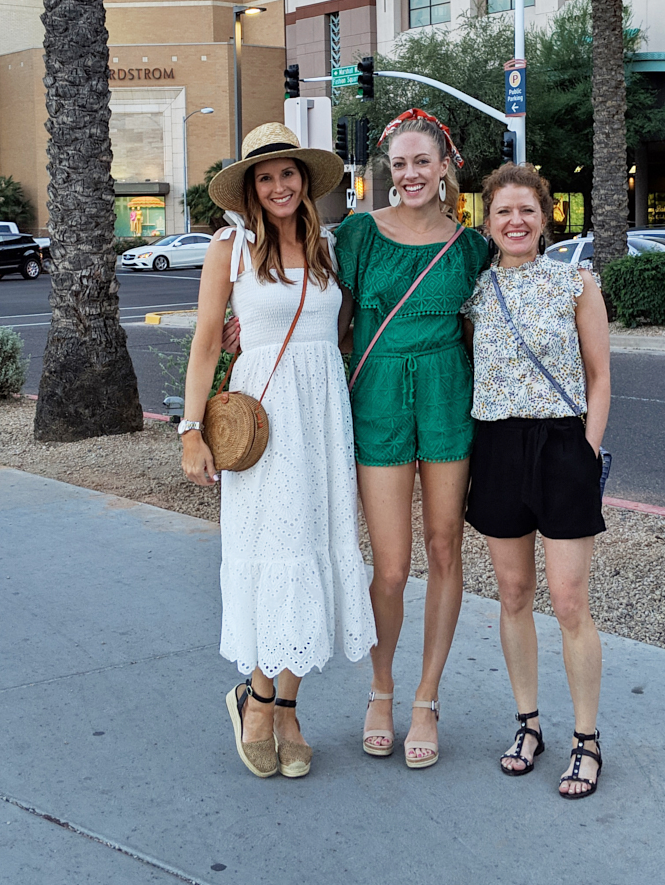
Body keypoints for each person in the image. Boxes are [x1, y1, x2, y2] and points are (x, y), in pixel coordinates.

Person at [180, 122, 376, 781]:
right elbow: (208, 342)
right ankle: (258, 701)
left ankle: (286, 707)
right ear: (249, 190)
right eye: (265, 178)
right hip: (262, 427)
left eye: (287, 174)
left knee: (313, 552)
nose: (278, 186)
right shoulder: (227, 249)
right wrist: (189, 429)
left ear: (305, 180)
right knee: (276, 556)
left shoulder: (326, 247)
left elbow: (342, 333)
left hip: (321, 420)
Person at [334, 110, 490, 769]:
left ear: (446, 165)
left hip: (449, 398)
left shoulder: (473, 246)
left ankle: (426, 697)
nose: (410, 175)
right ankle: (381, 688)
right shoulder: (360, 235)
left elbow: (496, 331)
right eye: (399, 164)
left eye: (422, 161)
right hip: (378, 401)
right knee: (392, 566)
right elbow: (325, 317)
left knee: (444, 547)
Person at [461, 163, 611, 799]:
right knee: (514, 593)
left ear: (546, 218)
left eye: (526, 210)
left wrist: (587, 449)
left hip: (561, 445)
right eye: (502, 212)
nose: (515, 221)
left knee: (569, 600)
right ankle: (528, 724)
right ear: (487, 222)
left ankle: (586, 739)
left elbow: (600, 376)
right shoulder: (473, 290)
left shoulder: (576, 283)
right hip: (495, 445)